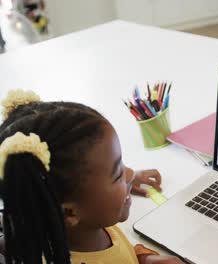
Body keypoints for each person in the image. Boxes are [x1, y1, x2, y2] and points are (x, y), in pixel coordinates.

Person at [0, 90, 184, 264]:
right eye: (118, 174)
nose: (129, 174)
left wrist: (143, 258)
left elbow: (118, 253)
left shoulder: (89, 224)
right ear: (69, 213)